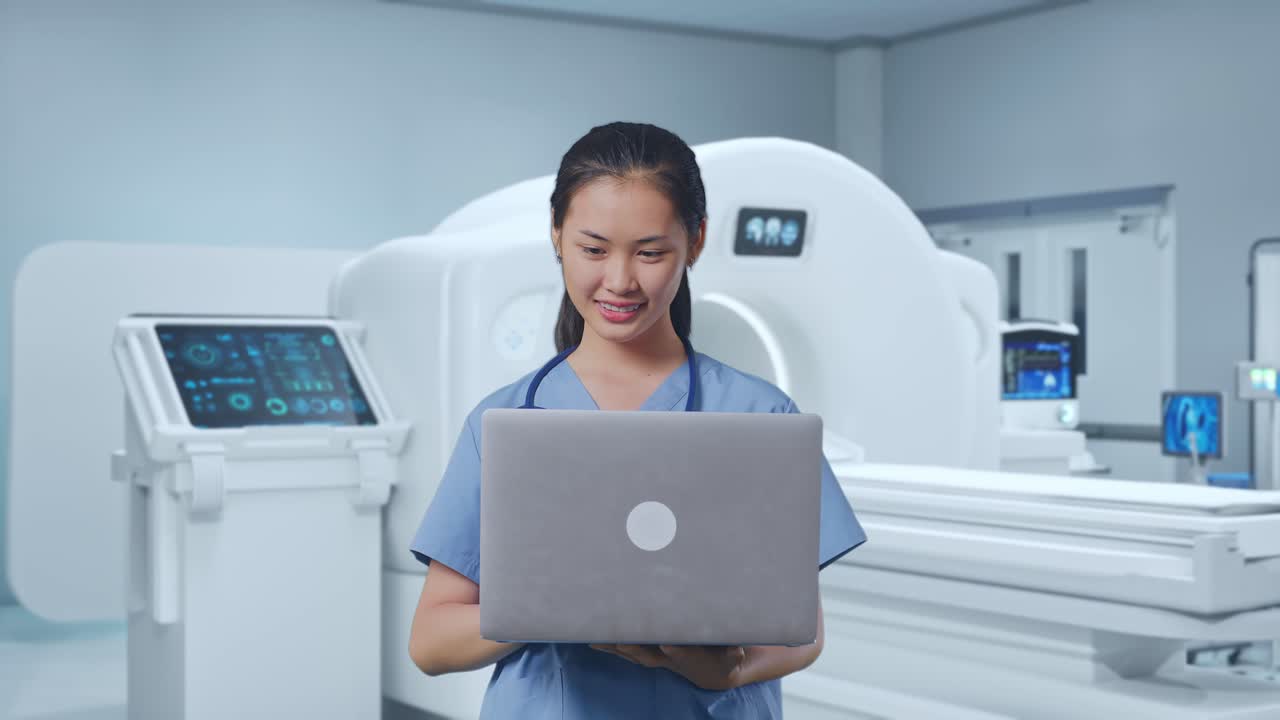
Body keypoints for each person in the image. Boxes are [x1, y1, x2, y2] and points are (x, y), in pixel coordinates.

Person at [407, 121, 866, 718]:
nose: (619, 280)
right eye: (593, 249)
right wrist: (549, 607)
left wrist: (726, 670)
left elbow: (801, 629)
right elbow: (431, 640)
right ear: (556, 236)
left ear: (695, 242)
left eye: (650, 252)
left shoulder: (760, 416)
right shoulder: (506, 421)